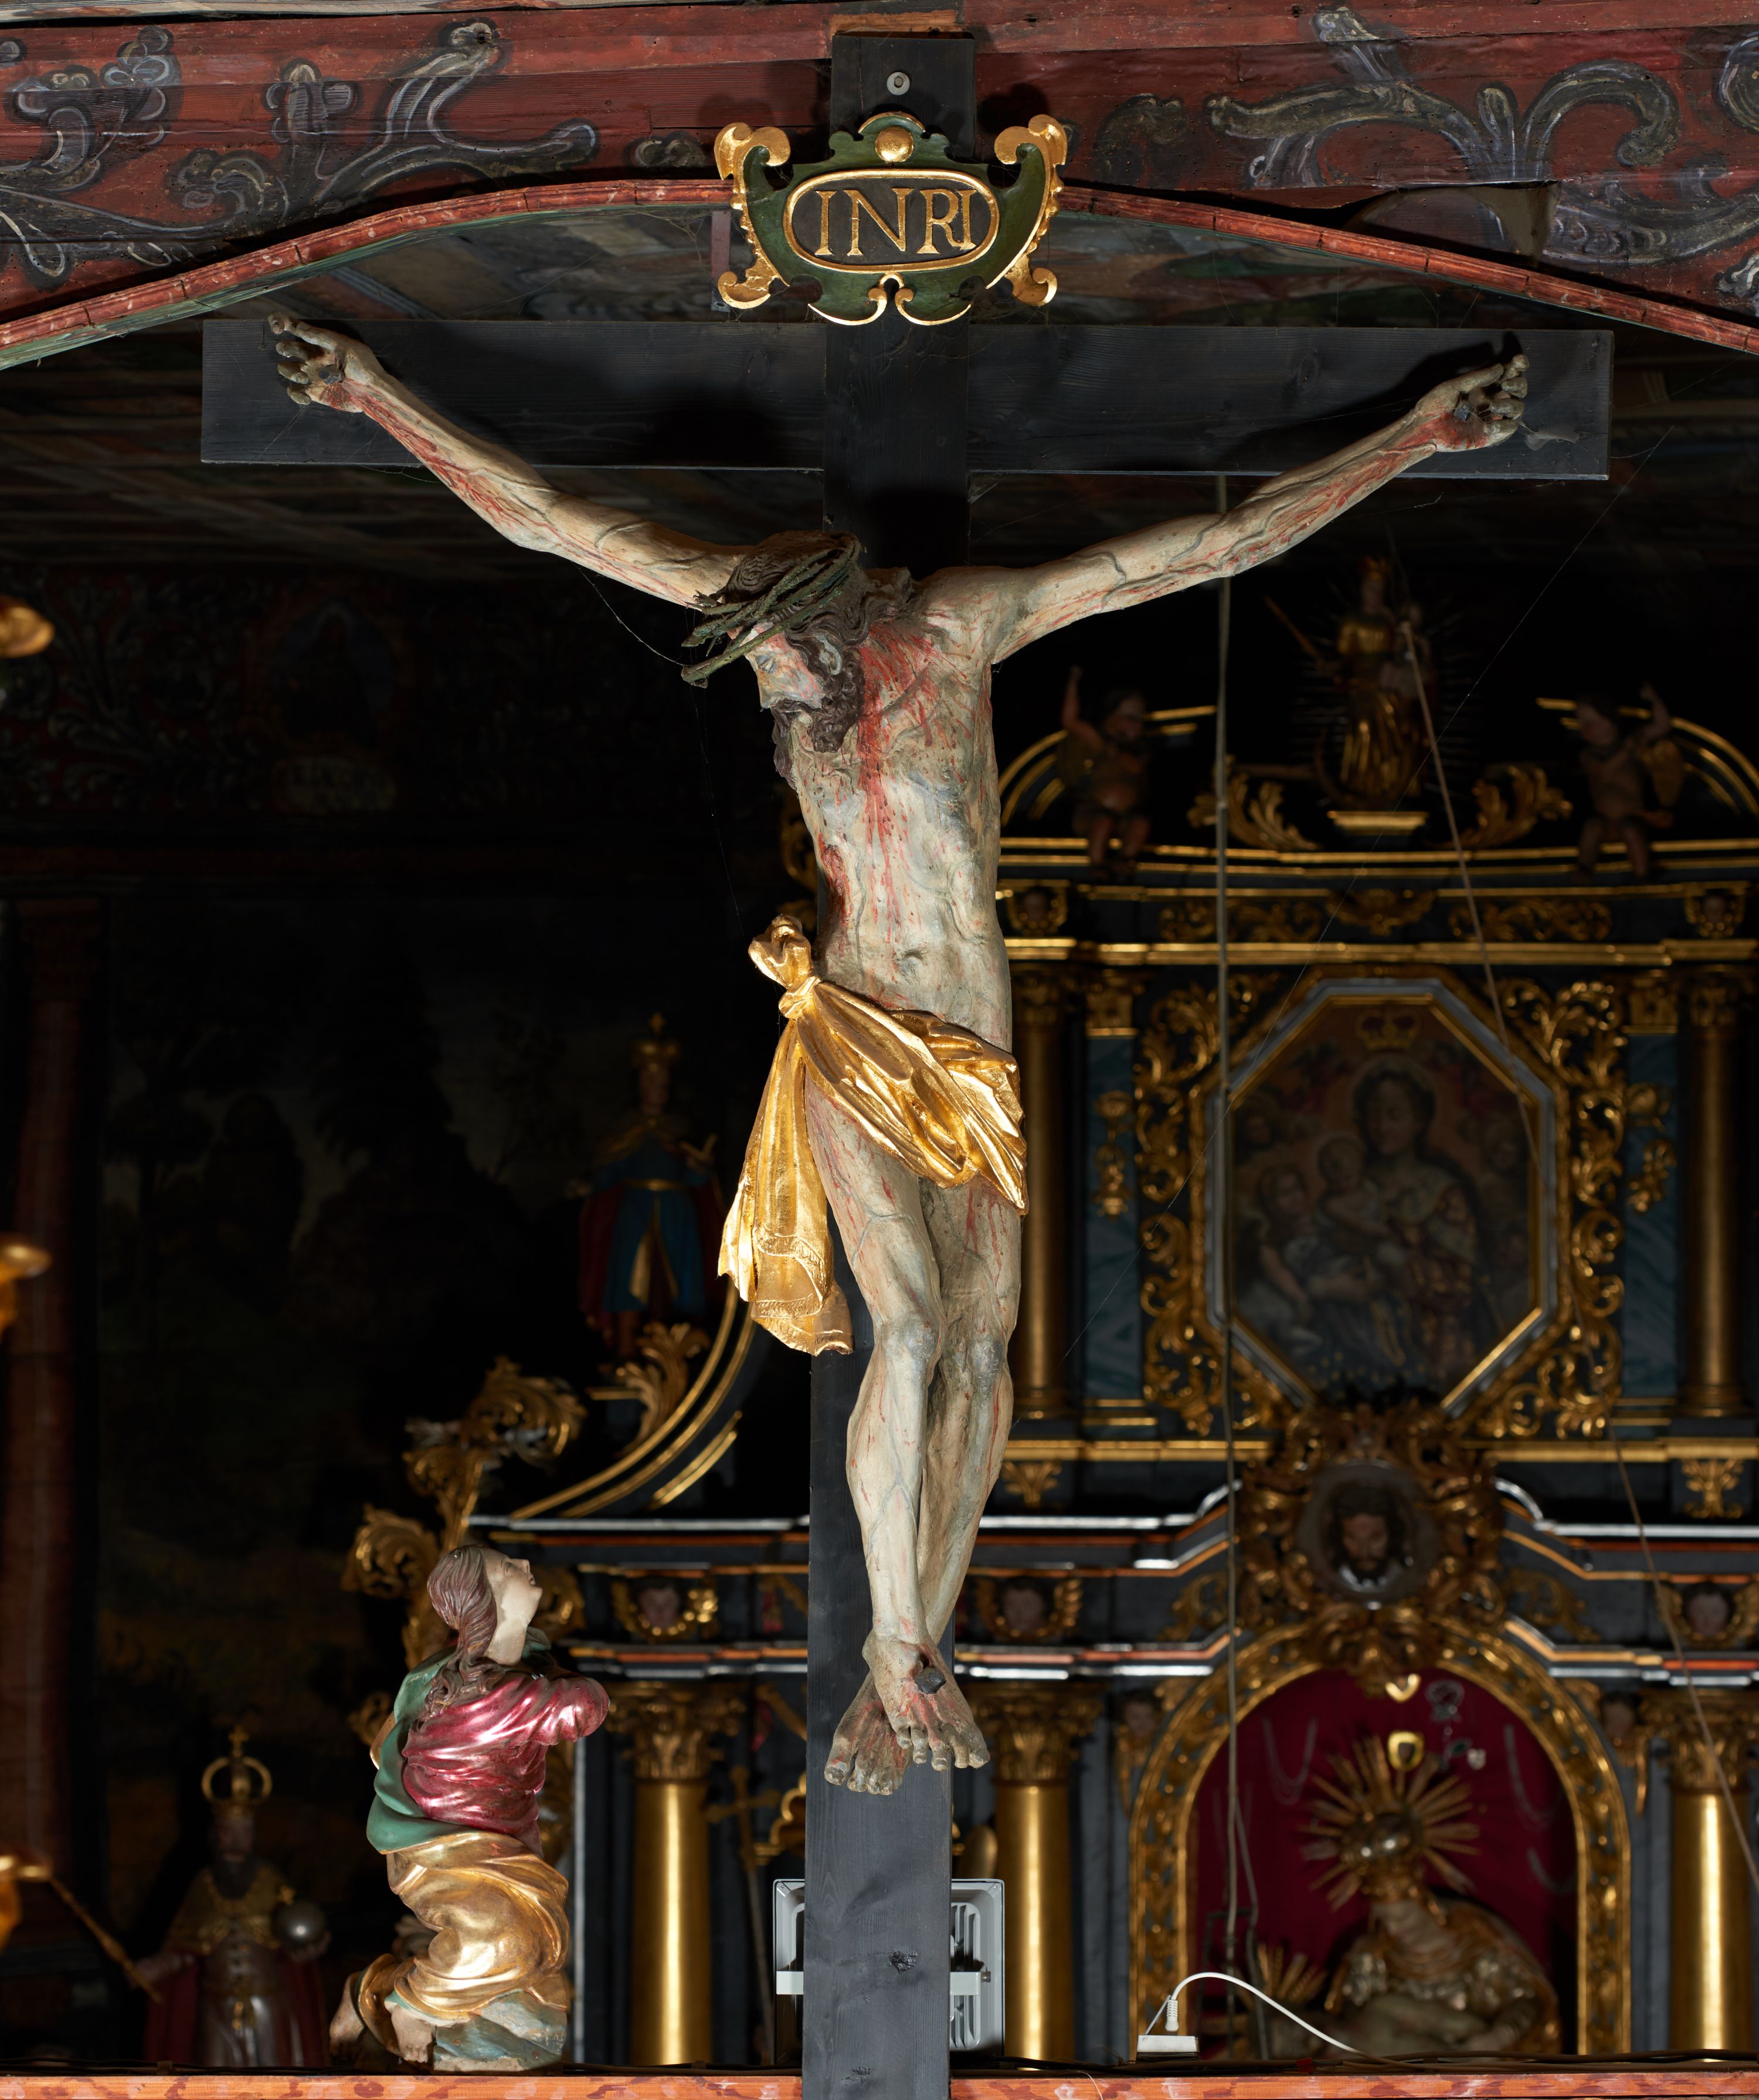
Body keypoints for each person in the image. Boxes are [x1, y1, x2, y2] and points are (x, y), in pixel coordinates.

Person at [267, 310, 1526, 1796]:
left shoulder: (960, 624)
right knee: (911, 1332)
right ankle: (894, 1639)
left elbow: (1209, 546)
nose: (775, 686)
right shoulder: (760, 621)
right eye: (764, 667)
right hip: (853, 1021)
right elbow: (553, 519)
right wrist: (375, 398)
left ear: (842, 608)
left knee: (985, 1349)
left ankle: (917, 1634)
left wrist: (1416, 437)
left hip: (973, 1038)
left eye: (787, 662)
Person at [330, 1545, 607, 2070]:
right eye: (507, 1567)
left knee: (541, 1953)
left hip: (502, 1845)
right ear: (486, 1597)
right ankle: (413, 2002)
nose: (525, 1566)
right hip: (444, 1850)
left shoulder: (460, 1675)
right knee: (509, 1941)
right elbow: (583, 1707)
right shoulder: (485, 1699)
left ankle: (375, 1989)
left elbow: (384, 1743)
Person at [138, 1732, 330, 2067]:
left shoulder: (272, 1882)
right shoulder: (202, 1886)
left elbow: (292, 1939)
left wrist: (307, 1948)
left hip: (268, 2006)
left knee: (278, 2078)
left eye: (246, 1832)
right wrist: (159, 1966)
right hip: (218, 2009)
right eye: (229, 1831)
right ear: (216, 1834)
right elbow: (186, 1948)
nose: (237, 1841)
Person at [576, 1014, 722, 1360]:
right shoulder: (626, 1129)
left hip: (677, 1213)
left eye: (664, 1082)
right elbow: (611, 1169)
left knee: (678, 1281)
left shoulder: (680, 1127)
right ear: (641, 1082)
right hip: (635, 1210)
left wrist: (698, 1170)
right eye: (653, 1080)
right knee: (629, 1279)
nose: (660, 1088)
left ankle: (677, 1358)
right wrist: (590, 1185)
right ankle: (626, 1353)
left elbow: (696, 1179)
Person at [1573, 684, 1672, 877]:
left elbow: (1662, 726)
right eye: (1581, 722)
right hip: (1605, 818)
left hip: (1632, 815)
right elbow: (1604, 772)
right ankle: (1584, 868)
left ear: (1610, 721)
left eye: (1593, 721)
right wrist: (1627, 750)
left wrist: (1653, 699)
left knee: (1631, 831)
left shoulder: (1632, 742)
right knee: (1591, 828)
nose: (1586, 728)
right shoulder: (1588, 755)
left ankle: (1642, 874)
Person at [1057, 665, 1153, 866]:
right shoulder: (1102, 745)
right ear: (1112, 718)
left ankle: (1125, 863)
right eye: (1131, 718)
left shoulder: (1141, 753)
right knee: (1103, 823)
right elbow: (1070, 721)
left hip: (1125, 816)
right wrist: (1074, 680)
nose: (1137, 725)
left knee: (1141, 825)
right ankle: (1096, 866)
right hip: (1095, 813)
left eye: (1140, 720)